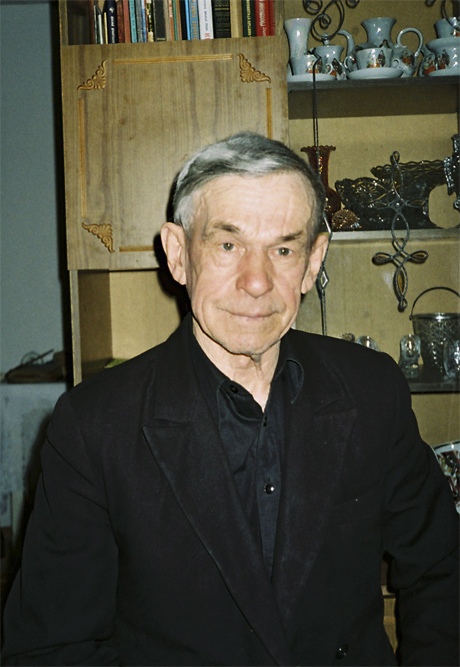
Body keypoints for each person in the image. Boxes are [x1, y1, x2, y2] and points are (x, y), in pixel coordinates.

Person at [2, 132, 458, 667]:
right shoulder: (95, 425)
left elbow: (443, 570)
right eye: (227, 245)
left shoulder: (371, 389)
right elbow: (51, 648)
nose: (257, 282)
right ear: (178, 255)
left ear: (313, 261)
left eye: (283, 249)